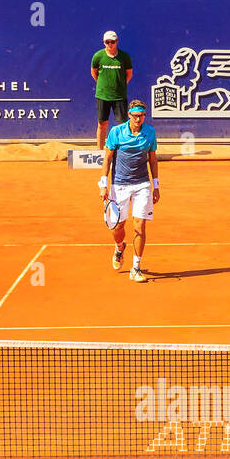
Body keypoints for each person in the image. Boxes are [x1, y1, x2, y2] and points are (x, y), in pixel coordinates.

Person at [100, 99, 159, 283]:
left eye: (141, 116)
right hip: (120, 185)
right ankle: (119, 247)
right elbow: (108, 158)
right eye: (135, 116)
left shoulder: (150, 132)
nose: (138, 119)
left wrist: (155, 185)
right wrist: (103, 184)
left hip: (142, 185)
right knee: (118, 227)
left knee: (139, 225)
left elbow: (153, 160)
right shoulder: (116, 132)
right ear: (129, 115)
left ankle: (136, 267)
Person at [91, 30, 132, 150]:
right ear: (104, 42)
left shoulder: (124, 56)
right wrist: (103, 85)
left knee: (122, 125)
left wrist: (120, 85)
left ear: (117, 42)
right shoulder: (98, 56)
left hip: (119, 96)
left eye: (112, 42)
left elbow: (129, 74)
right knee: (102, 124)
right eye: (107, 42)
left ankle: (122, 150)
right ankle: (99, 151)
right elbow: (94, 72)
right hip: (102, 95)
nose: (110, 44)